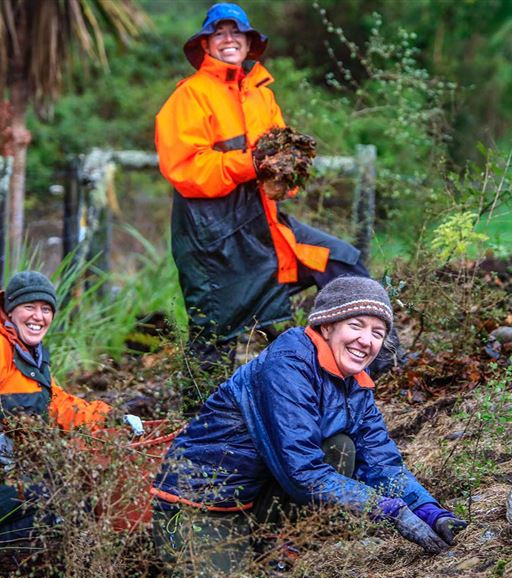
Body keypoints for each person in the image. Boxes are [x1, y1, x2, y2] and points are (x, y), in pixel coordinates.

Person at [150, 276, 468, 578]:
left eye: (378, 333)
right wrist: (390, 510)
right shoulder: (288, 364)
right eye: (356, 325)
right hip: (197, 503)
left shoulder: (355, 380)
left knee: (340, 448)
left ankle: (270, 552)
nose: (366, 340)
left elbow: (381, 462)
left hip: (255, 498)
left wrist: (430, 512)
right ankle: (206, 572)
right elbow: (303, 473)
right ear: (326, 326)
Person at [154, 3, 372, 366]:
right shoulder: (189, 96)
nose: (228, 39)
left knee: (341, 262)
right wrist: (251, 162)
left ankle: (372, 366)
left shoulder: (261, 93)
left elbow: (284, 160)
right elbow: (186, 170)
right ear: (205, 44)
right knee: (214, 331)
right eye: (219, 33)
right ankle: (203, 420)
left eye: (236, 32)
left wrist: (288, 175)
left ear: (248, 42)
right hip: (212, 237)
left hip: (265, 225)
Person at [0, 271, 143, 544]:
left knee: (76, 497)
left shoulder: (31, 354)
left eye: (46, 309)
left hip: (8, 481)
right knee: (55, 504)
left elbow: (58, 404)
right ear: (10, 311)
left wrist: (113, 418)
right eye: (29, 307)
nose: (38, 316)